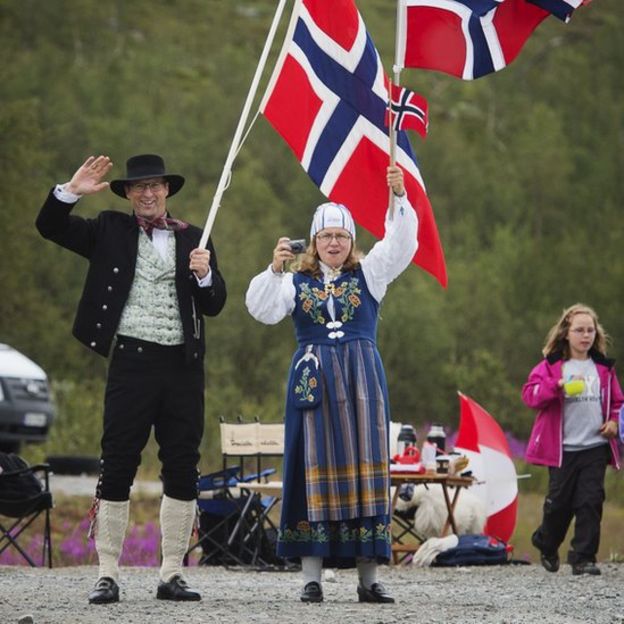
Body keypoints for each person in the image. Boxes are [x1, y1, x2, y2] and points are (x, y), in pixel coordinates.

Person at [36, 154, 227, 603]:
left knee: (182, 464)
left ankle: (172, 573)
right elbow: (50, 227)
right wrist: (70, 191)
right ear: (126, 193)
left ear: (166, 191)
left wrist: (203, 276)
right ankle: (107, 572)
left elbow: (216, 302)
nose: (147, 193)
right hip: (132, 361)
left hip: (182, 365)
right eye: (138, 187)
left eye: (155, 186)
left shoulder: (196, 238)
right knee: (117, 460)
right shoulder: (107, 230)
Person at [245, 165, 416, 603]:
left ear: (351, 241)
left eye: (341, 236)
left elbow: (401, 244)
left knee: (366, 470)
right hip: (314, 383)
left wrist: (399, 198)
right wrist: (274, 268)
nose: (334, 243)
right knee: (310, 469)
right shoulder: (293, 283)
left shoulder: (371, 274)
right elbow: (260, 309)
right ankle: (311, 578)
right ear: (314, 243)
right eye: (326, 237)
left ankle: (368, 579)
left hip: (362, 381)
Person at [522, 303, 621, 576]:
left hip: (594, 446)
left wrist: (614, 422)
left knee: (590, 501)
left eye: (590, 330)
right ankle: (546, 542)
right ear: (567, 333)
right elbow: (530, 396)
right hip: (562, 449)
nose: (585, 335)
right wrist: (557, 387)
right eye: (579, 330)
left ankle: (583, 558)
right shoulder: (552, 366)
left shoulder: (603, 368)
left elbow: (618, 403)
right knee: (559, 505)